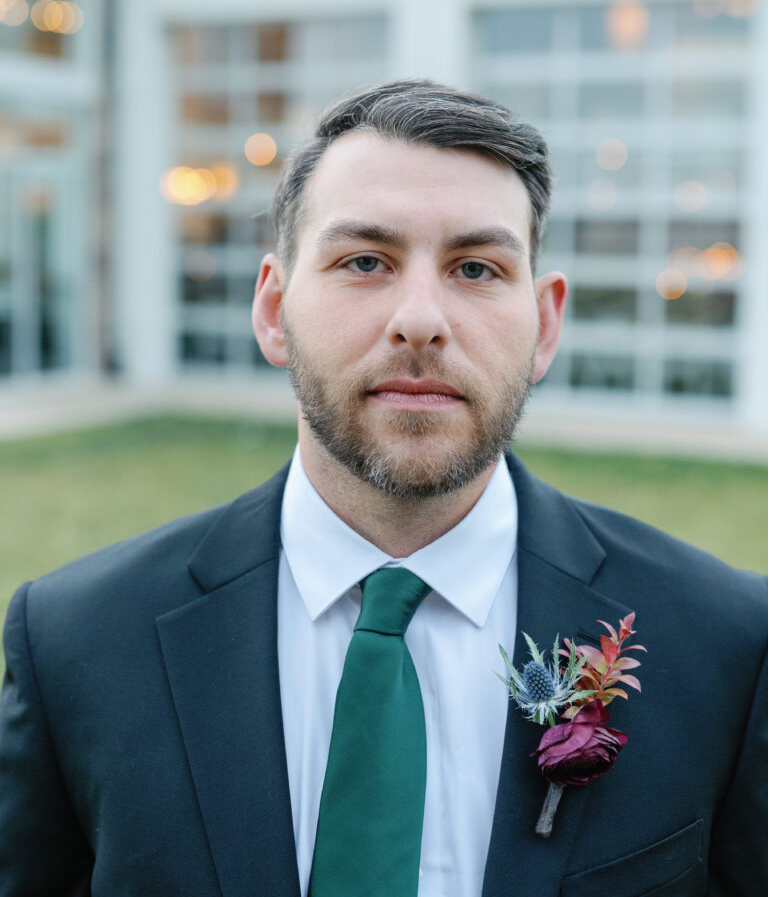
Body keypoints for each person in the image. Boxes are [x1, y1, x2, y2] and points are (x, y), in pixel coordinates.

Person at [0, 80, 766, 897]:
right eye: (365, 261)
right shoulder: (77, 642)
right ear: (273, 307)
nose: (421, 319)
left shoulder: (725, 643)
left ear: (544, 326)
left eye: (476, 267)